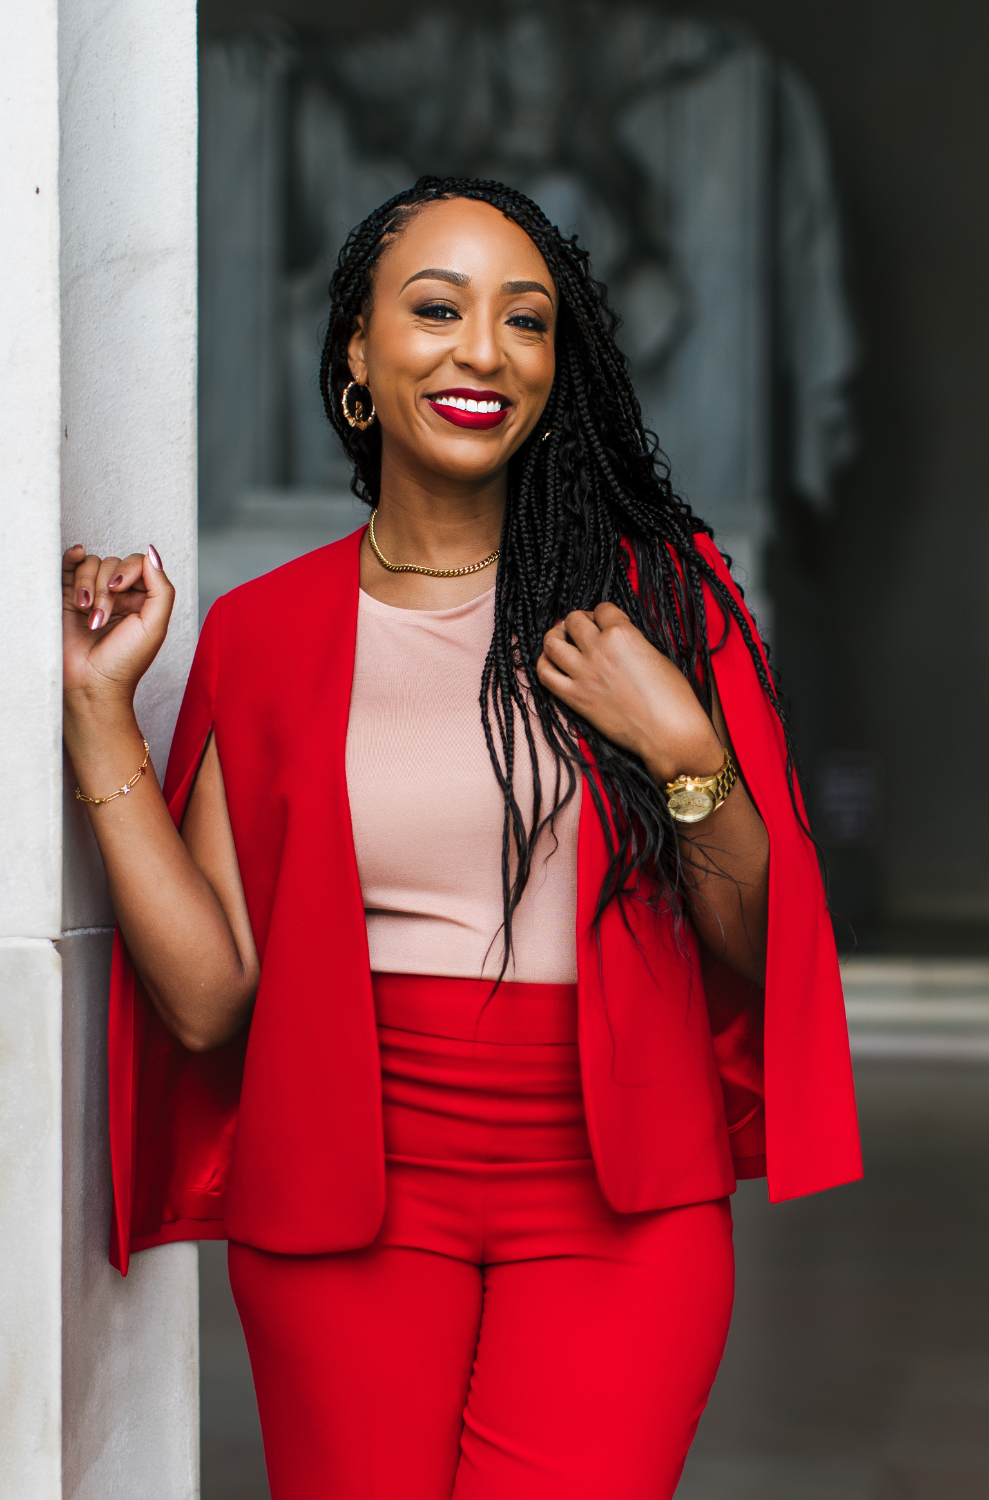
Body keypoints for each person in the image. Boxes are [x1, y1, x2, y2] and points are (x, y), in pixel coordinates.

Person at [61, 177, 860, 1500]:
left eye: (524, 320)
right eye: (434, 309)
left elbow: (754, 944)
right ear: (360, 361)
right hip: (342, 1200)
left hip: (620, 1209)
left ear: (558, 369)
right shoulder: (266, 636)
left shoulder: (664, 600)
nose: (481, 349)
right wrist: (101, 713)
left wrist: (687, 754)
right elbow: (206, 1000)